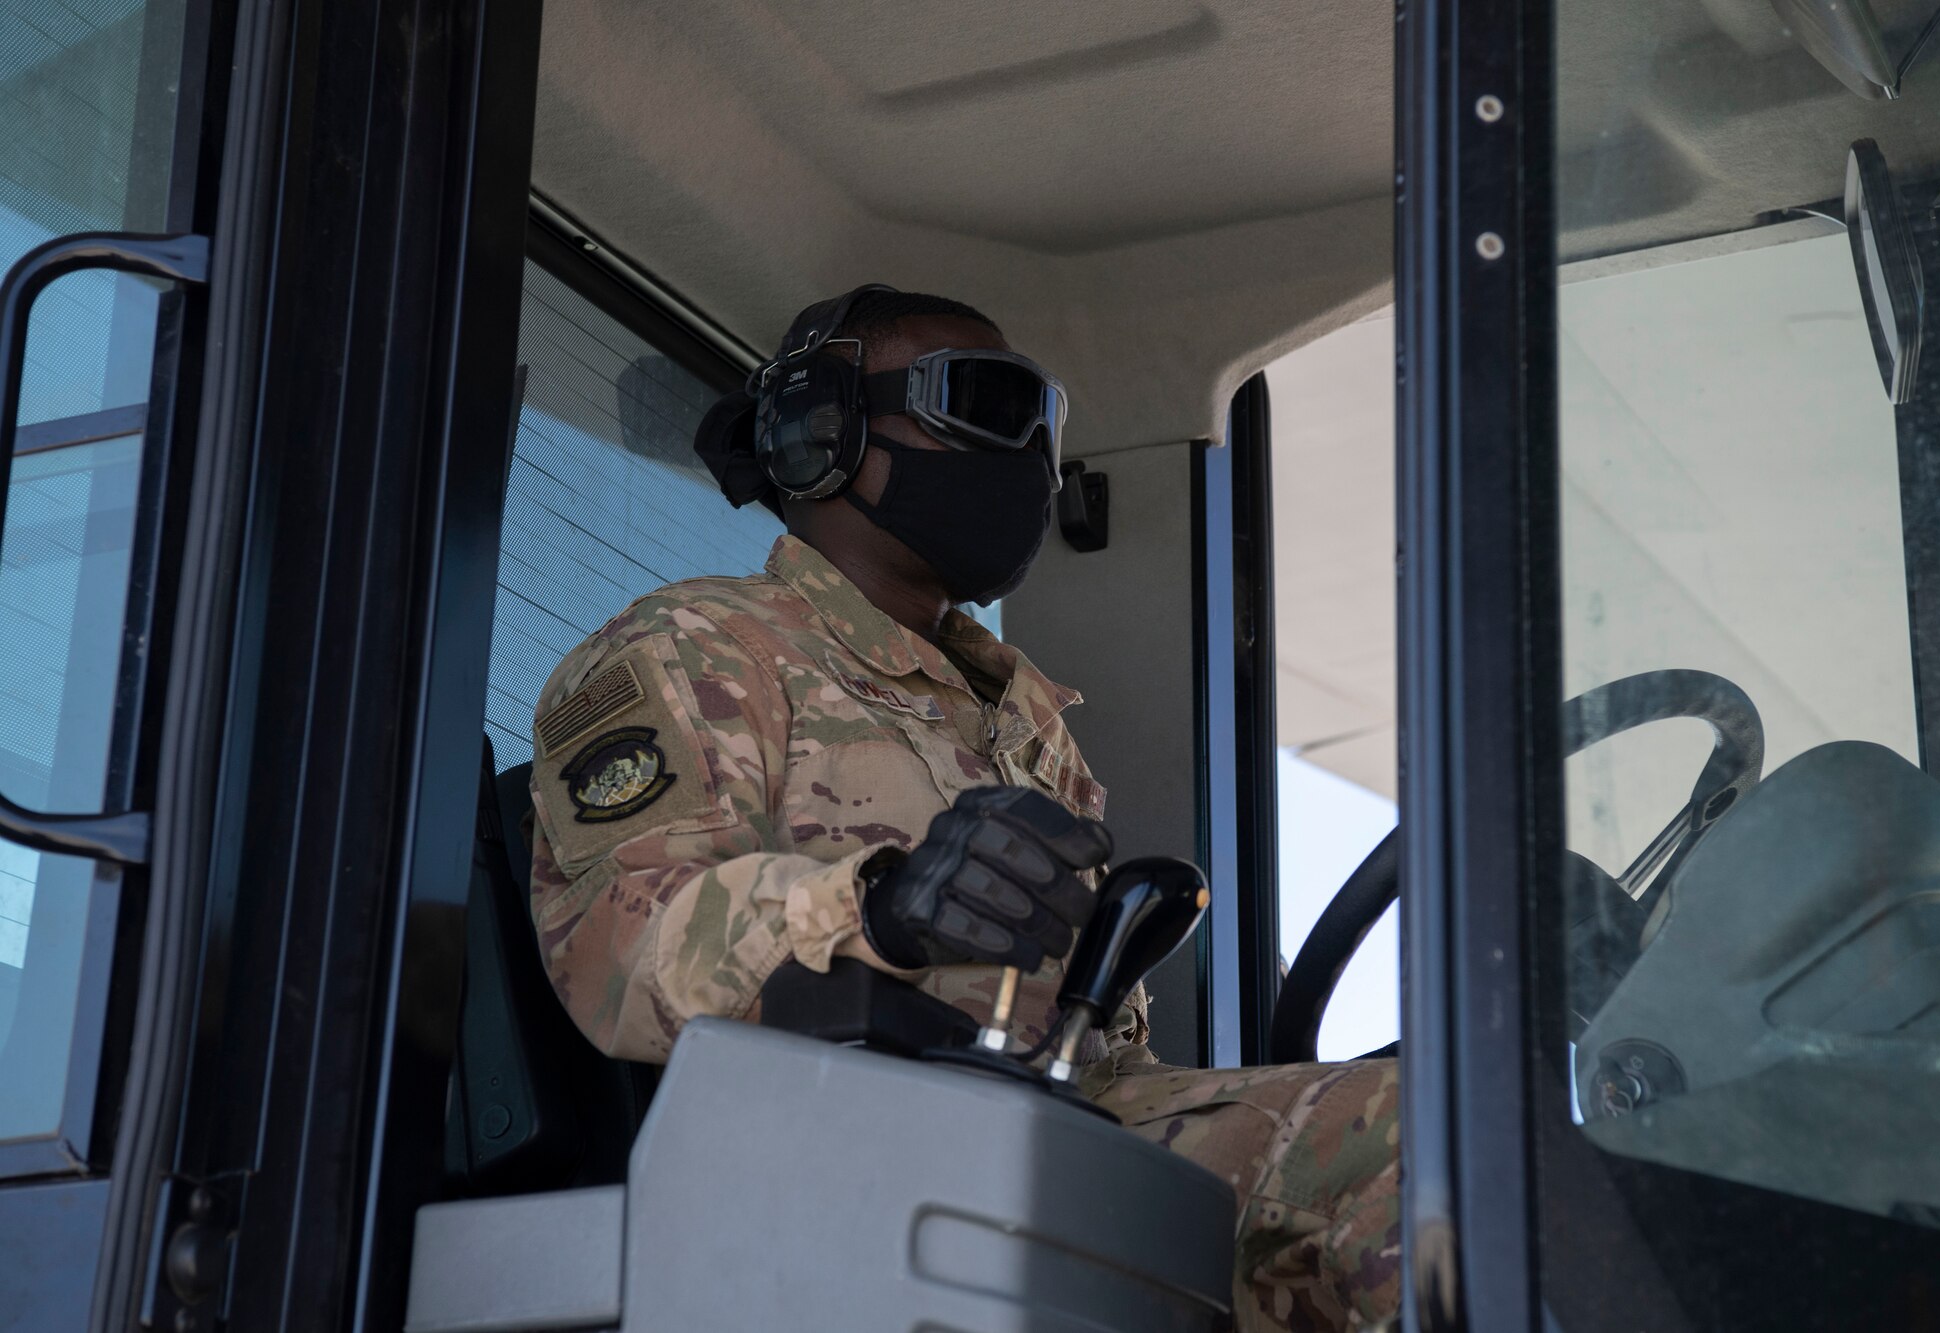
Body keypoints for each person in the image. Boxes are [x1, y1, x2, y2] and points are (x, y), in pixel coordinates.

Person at [526, 285, 1400, 1329]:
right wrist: (878, 907)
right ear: (824, 432)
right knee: (1412, 1144)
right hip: (843, 1167)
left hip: (1056, 1129)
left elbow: (1108, 1053)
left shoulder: (1021, 714)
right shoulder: (698, 647)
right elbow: (623, 946)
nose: (1029, 449)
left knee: (1454, 1133)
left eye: (1044, 420)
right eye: (986, 403)